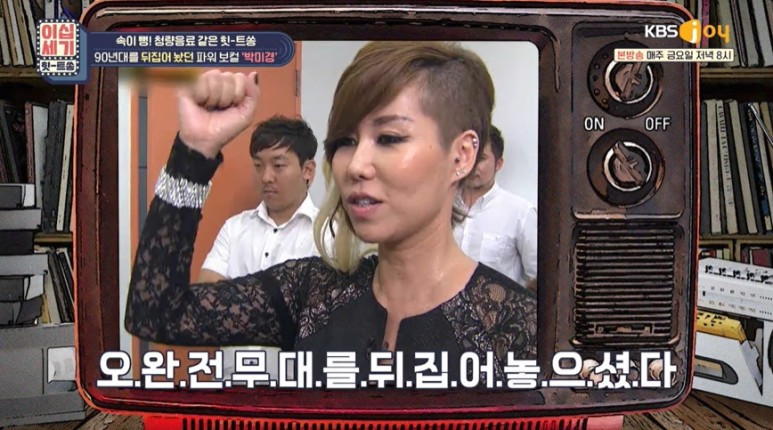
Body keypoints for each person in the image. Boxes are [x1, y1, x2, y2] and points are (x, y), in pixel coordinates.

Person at [125, 42, 537, 384]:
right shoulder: (313, 291)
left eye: (389, 138)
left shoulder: (515, 324)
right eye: (345, 141)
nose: (355, 165)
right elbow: (156, 314)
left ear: (461, 155)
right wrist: (194, 151)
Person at [197, 115, 319, 379]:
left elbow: (320, 318)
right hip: (231, 384)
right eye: (258, 165)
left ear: (307, 170)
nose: (266, 177)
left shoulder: (328, 234)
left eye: (278, 165)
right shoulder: (234, 228)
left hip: (299, 389)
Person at [454, 126, 538, 291]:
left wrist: (514, 305)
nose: (472, 164)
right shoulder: (444, 206)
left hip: (497, 306)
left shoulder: (520, 213)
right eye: (466, 154)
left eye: (481, 158)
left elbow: (538, 275)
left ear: (498, 164)